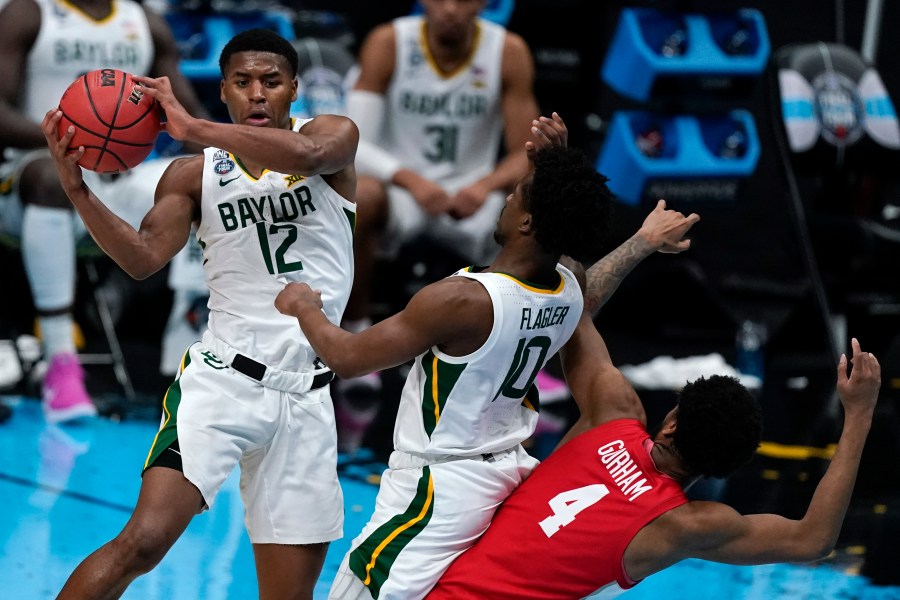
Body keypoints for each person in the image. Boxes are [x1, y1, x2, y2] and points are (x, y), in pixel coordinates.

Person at [42, 28, 359, 598]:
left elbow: (311, 155)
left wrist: (190, 128)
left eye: (271, 81)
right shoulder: (191, 174)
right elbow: (141, 259)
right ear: (225, 92)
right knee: (142, 542)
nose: (257, 94)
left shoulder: (331, 137)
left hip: (308, 397)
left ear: (294, 89)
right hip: (222, 385)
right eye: (242, 82)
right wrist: (80, 193)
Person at [274, 112, 613, 599]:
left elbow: (347, 358)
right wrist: (554, 163)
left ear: (528, 220)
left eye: (516, 192)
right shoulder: (570, 282)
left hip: (437, 488)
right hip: (508, 474)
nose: (506, 198)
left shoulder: (462, 302)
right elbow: (567, 215)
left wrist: (305, 308)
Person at [429, 259, 882, 598]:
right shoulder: (683, 525)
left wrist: (642, 243)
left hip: (426, 585)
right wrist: (859, 413)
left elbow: (574, 299)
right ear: (723, 469)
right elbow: (814, 539)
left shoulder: (612, 412)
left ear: (670, 423)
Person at [336, 0, 565, 445]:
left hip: (472, 194)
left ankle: (526, 361)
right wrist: (414, 182)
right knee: (360, 196)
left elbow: (526, 149)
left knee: (543, 206)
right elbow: (353, 139)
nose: (451, 8)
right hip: (403, 190)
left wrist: (485, 186)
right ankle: (358, 332)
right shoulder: (390, 42)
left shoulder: (507, 50)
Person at [0, 0, 210, 423]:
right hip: (30, 176)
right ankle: (61, 363)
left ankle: (192, 358)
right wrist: (68, 140)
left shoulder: (145, 22)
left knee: (205, 180)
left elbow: (189, 118)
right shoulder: (28, 13)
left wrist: (237, 160)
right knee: (50, 178)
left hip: (118, 181)